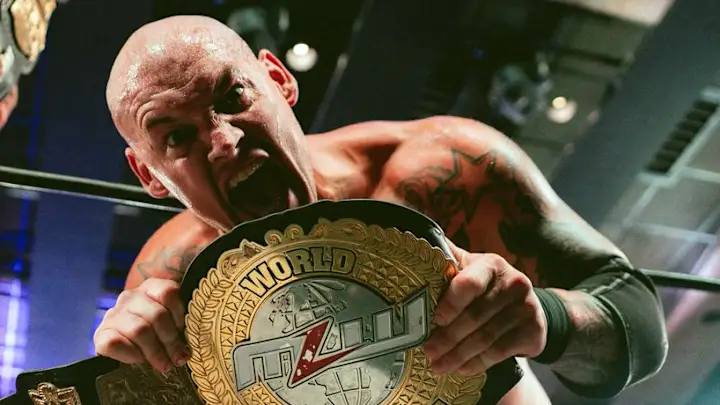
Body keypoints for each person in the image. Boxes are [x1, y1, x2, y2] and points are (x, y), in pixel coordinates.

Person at [95, 15, 668, 404]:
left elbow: (638, 323)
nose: (224, 142)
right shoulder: (173, 278)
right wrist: (118, 383)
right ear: (149, 175)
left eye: (233, 97)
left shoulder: (441, 167)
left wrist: (546, 319)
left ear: (278, 80)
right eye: (175, 137)